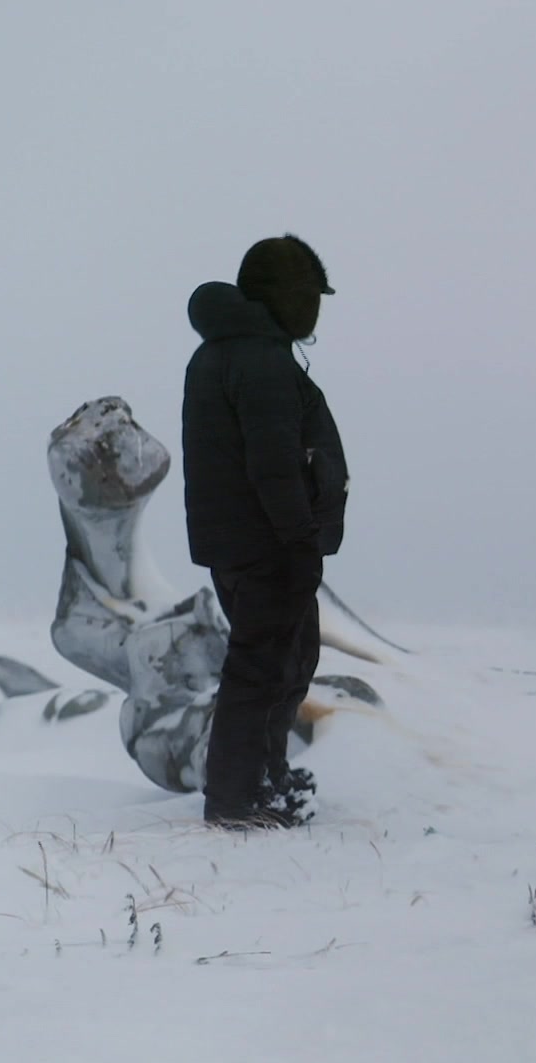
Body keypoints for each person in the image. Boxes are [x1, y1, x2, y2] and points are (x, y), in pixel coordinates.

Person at [181, 234, 349, 827]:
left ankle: (263, 780)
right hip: (268, 545)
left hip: (247, 542)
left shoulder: (231, 352)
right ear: (286, 298)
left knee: (286, 659)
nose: (316, 310)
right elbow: (274, 462)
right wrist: (300, 537)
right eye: (310, 296)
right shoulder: (259, 358)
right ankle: (236, 798)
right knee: (263, 667)